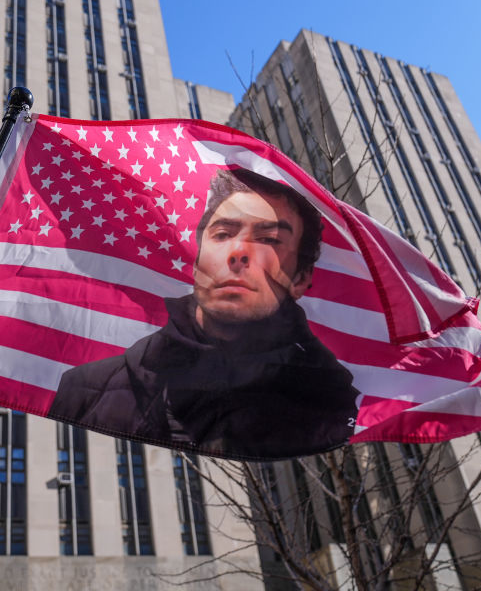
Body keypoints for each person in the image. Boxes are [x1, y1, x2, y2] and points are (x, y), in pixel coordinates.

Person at [48, 168, 359, 459]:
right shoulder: (85, 389)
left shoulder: (336, 407)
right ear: (196, 260)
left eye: (268, 240)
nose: (237, 253)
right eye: (223, 234)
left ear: (301, 278)